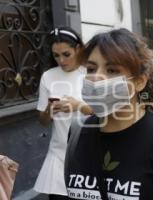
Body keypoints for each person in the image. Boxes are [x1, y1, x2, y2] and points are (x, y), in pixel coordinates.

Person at [64, 28, 153, 200]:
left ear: (139, 82)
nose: (96, 78)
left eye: (112, 70)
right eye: (91, 69)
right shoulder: (77, 132)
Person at [34, 27, 93, 200]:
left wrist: (78, 106)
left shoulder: (92, 73)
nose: (61, 60)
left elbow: (107, 113)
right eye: (56, 55)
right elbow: (43, 122)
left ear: (78, 49)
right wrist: (49, 110)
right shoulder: (48, 76)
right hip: (59, 155)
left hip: (91, 153)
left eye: (66, 54)